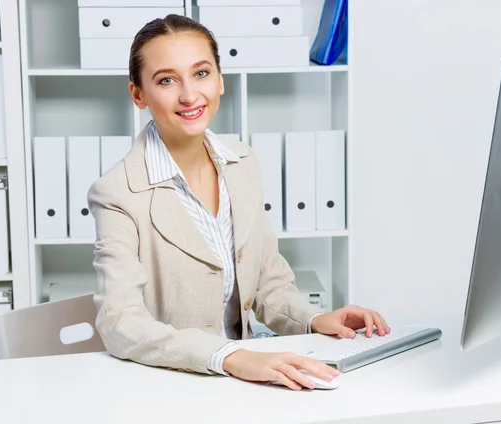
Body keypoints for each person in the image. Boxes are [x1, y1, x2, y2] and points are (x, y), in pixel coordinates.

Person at [87, 14, 390, 392]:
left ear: (220, 80)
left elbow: (268, 285)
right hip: (172, 384)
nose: (189, 95)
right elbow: (120, 322)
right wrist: (229, 356)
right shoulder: (117, 192)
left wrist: (316, 320)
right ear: (138, 94)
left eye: (201, 73)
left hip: (244, 382)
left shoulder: (241, 162)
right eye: (167, 80)